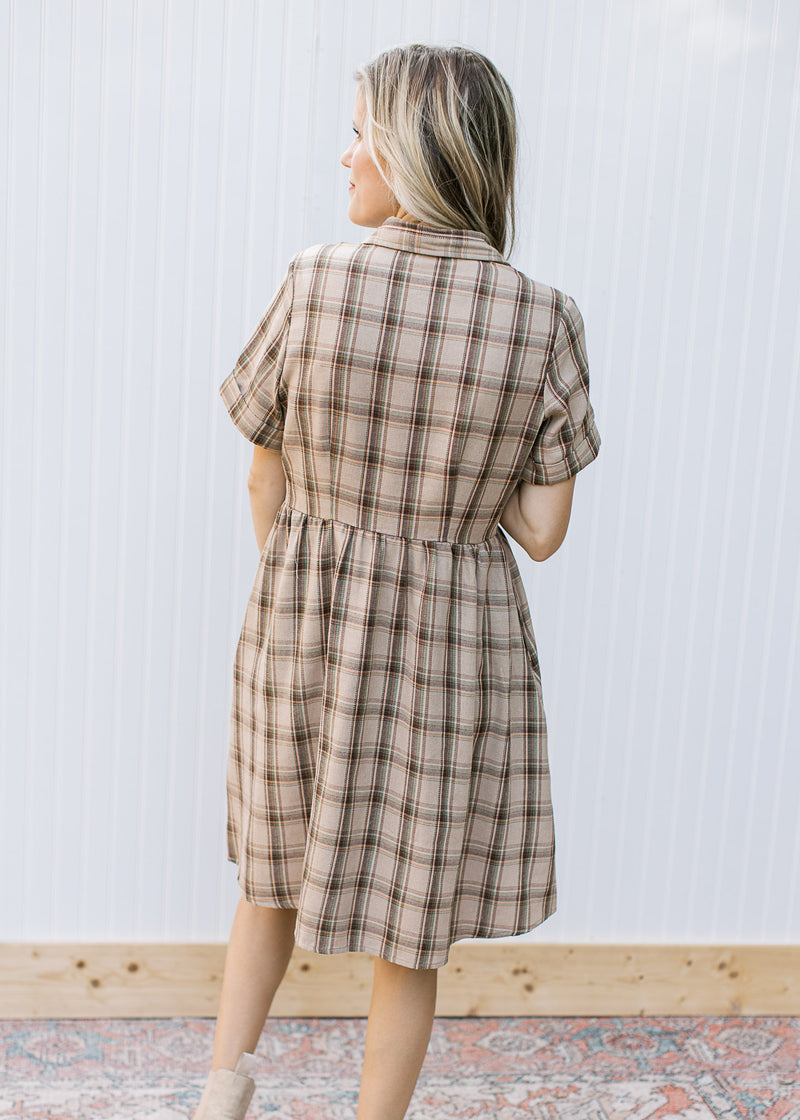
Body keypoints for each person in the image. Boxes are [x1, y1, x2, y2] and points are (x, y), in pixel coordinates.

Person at [193, 42, 601, 1120]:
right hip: (450, 647)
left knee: (267, 879)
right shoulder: (542, 317)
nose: (344, 155)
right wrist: (463, 469)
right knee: (410, 924)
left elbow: (259, 472)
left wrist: (302, 574)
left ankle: (220, 1093)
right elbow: (545, 527)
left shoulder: (315, 279)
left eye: (361, 134)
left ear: (416, 150)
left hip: (302, 617)